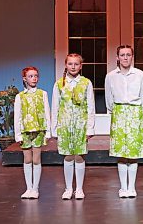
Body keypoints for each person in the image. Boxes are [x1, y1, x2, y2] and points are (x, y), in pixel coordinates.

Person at [105, 45, 143, 198]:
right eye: (122, 55)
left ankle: (132, 187)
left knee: (133, 152)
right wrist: (116, 111)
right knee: (121, 152)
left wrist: (135, 112)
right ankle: (123, 187)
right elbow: (108, 99)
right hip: (118, 113)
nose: (125, 57)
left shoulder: (140, 75)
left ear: (132, 57)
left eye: (128, 55)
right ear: (117, 57)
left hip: (134, 113)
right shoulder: (111, 76)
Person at [52, 53, 95, 200]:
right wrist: (54, 128)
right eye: (70, 64)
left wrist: (90, 127)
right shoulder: (59, 83)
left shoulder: (86, 83)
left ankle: (80, 189)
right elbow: (55, 107)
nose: (73, 67)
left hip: (80, 125)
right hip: (64, 124)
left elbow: (90, 106)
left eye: (76, 64)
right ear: (66, 65)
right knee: (68, 156)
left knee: (79, 156)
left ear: (80, 66)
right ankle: (68, 188)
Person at [14, 66, 51, 199]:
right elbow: (17, 116)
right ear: (25, 79)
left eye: (36, 75)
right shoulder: (20, 96)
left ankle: (35, 189)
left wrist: (48, 131)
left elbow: (47, 112)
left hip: (39, 130)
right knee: (27, 159)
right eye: (30, 76)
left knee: (36, 160)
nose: (34, 78)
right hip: (25, 131)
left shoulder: (42, 94)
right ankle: (28, 188)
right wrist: (17, 134)